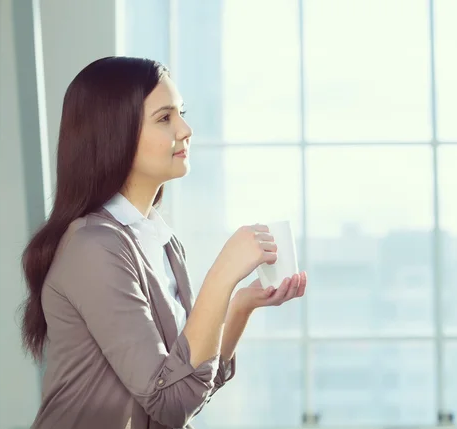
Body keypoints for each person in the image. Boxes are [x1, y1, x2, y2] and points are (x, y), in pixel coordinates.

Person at [20, 56, 308, 429]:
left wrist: (238, 306)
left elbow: (187, 387)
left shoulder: (160, 241)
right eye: (165, 118)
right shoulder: (92, 248)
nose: (186, 129)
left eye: (181, 113)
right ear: (115, 132)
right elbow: (170, 403)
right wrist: (222, 275)